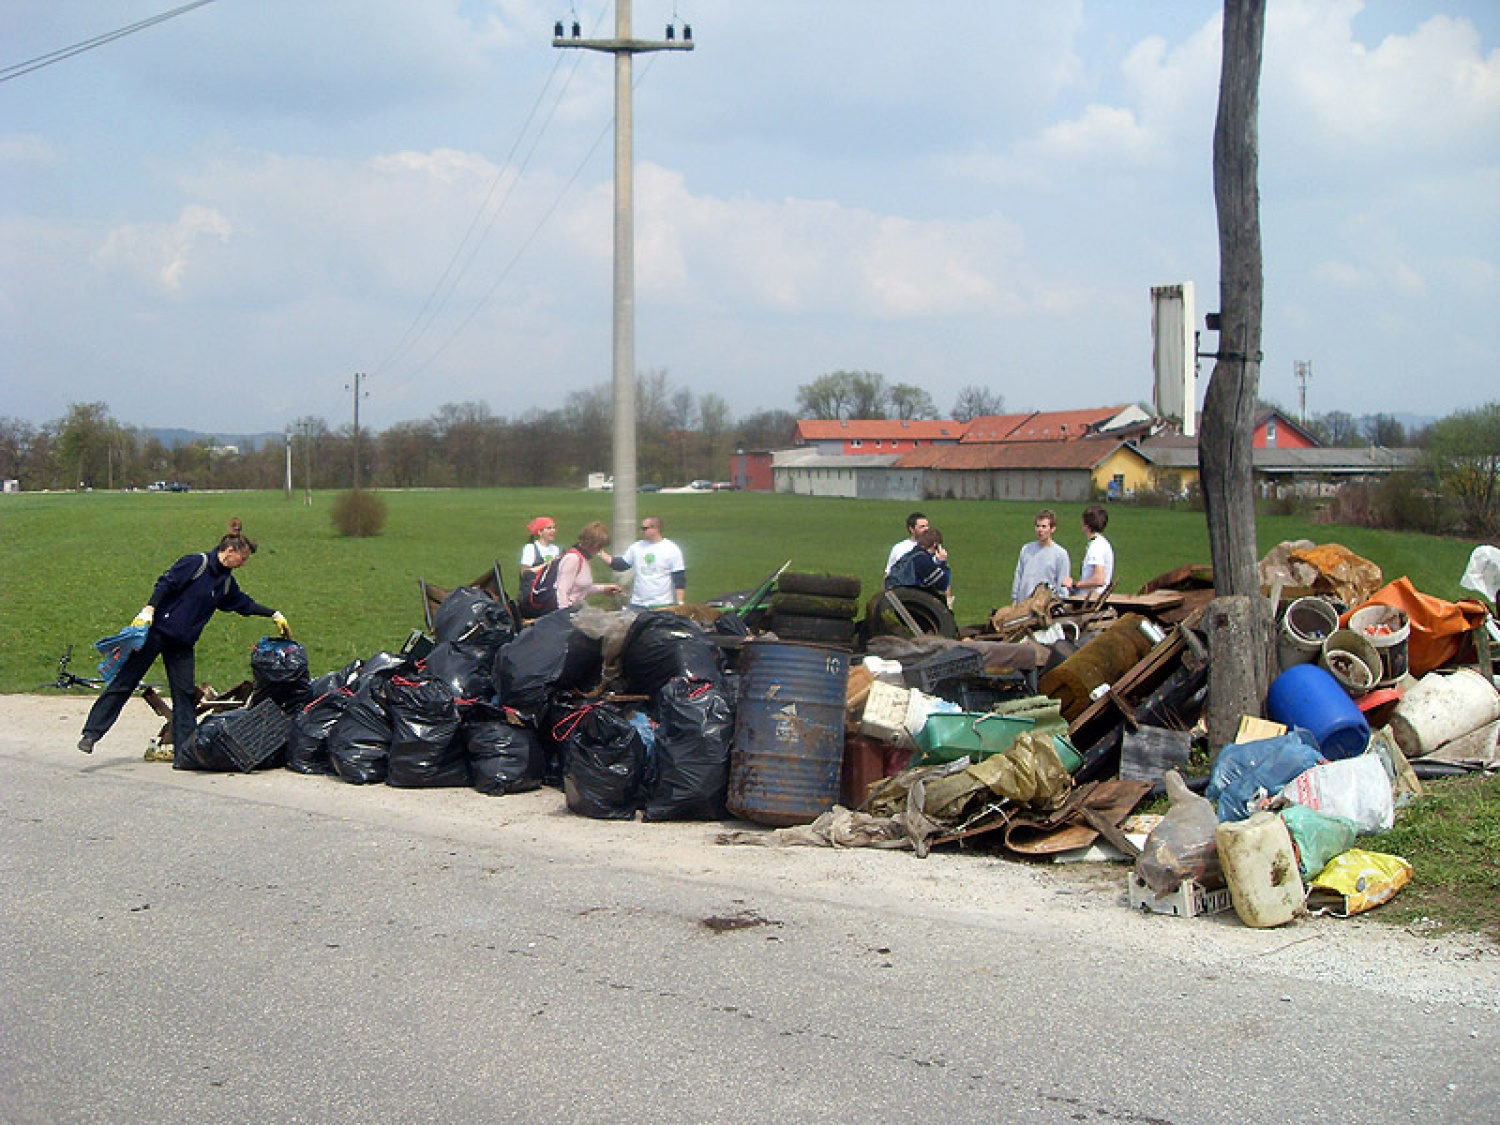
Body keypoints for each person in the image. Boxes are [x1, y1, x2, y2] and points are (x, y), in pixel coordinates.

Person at [78, 522, 290, 757]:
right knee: (124, 682)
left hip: (183, 644)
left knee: (184, 696)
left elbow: (243, 604)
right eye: (243, 558)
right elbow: (165, 584)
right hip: (157, 633)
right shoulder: (195, 564)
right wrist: (148, 610)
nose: (244, 563)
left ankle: (186, 753)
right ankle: (91, 734)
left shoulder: (226, 583)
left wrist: (273, 614)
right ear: (229, 551)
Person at [615, 515, 687, 609]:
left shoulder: (671, 549)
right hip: (638, 604)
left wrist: (680, 603)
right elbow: (622, 565)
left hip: (662, 604)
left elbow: (679, 578)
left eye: (644, 528)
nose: (641, 531)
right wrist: (600, 553)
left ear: (655, 529)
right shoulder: (636, 547)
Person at [553, 520, 622, 609]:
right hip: (565, 611)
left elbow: (580, 588)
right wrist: (564, 614)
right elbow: (561, 590)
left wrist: (604, 588)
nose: (600, 550)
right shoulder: (573, 559)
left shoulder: (584, 558)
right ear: (590, 544)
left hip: (576, 608)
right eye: (599, 546)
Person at [1011, 508, 1071, 604]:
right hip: (1023, 604)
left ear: (1052, 529)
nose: (1040, 530)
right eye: (1038, 526)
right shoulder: (1026, 549)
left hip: (1043, 608)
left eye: (1044, 526)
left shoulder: (1060, 554)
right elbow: (1018, 575)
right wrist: (1015, 599)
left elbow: (1062, 584)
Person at [886, 527, 951, 596]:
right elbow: (942, 585)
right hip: (909, 598)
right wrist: (942, 563)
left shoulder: (911, 555)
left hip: (896, 594)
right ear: (936, 545)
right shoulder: (923, 560)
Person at [1063, 506, 1114, 594]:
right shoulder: (1101, 542)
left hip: (1091, 601)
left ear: (1086, 525)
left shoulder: (1096, 547)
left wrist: (1075, 584)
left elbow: (1099, 579)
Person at [886, 511, 945, 576]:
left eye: (927, 526)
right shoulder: (899, 548)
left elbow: (942, 574)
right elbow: (889, 574)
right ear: (912, 529)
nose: (926, 529)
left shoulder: (933, 546)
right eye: (922, 527)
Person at [519, 516, 560, 580]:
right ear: (540, 532)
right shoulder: (530, 548)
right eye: (549, 528)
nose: (553, 530)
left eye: (554, 528)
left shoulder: (555, 549)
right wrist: (548, 564)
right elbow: (525, 573)